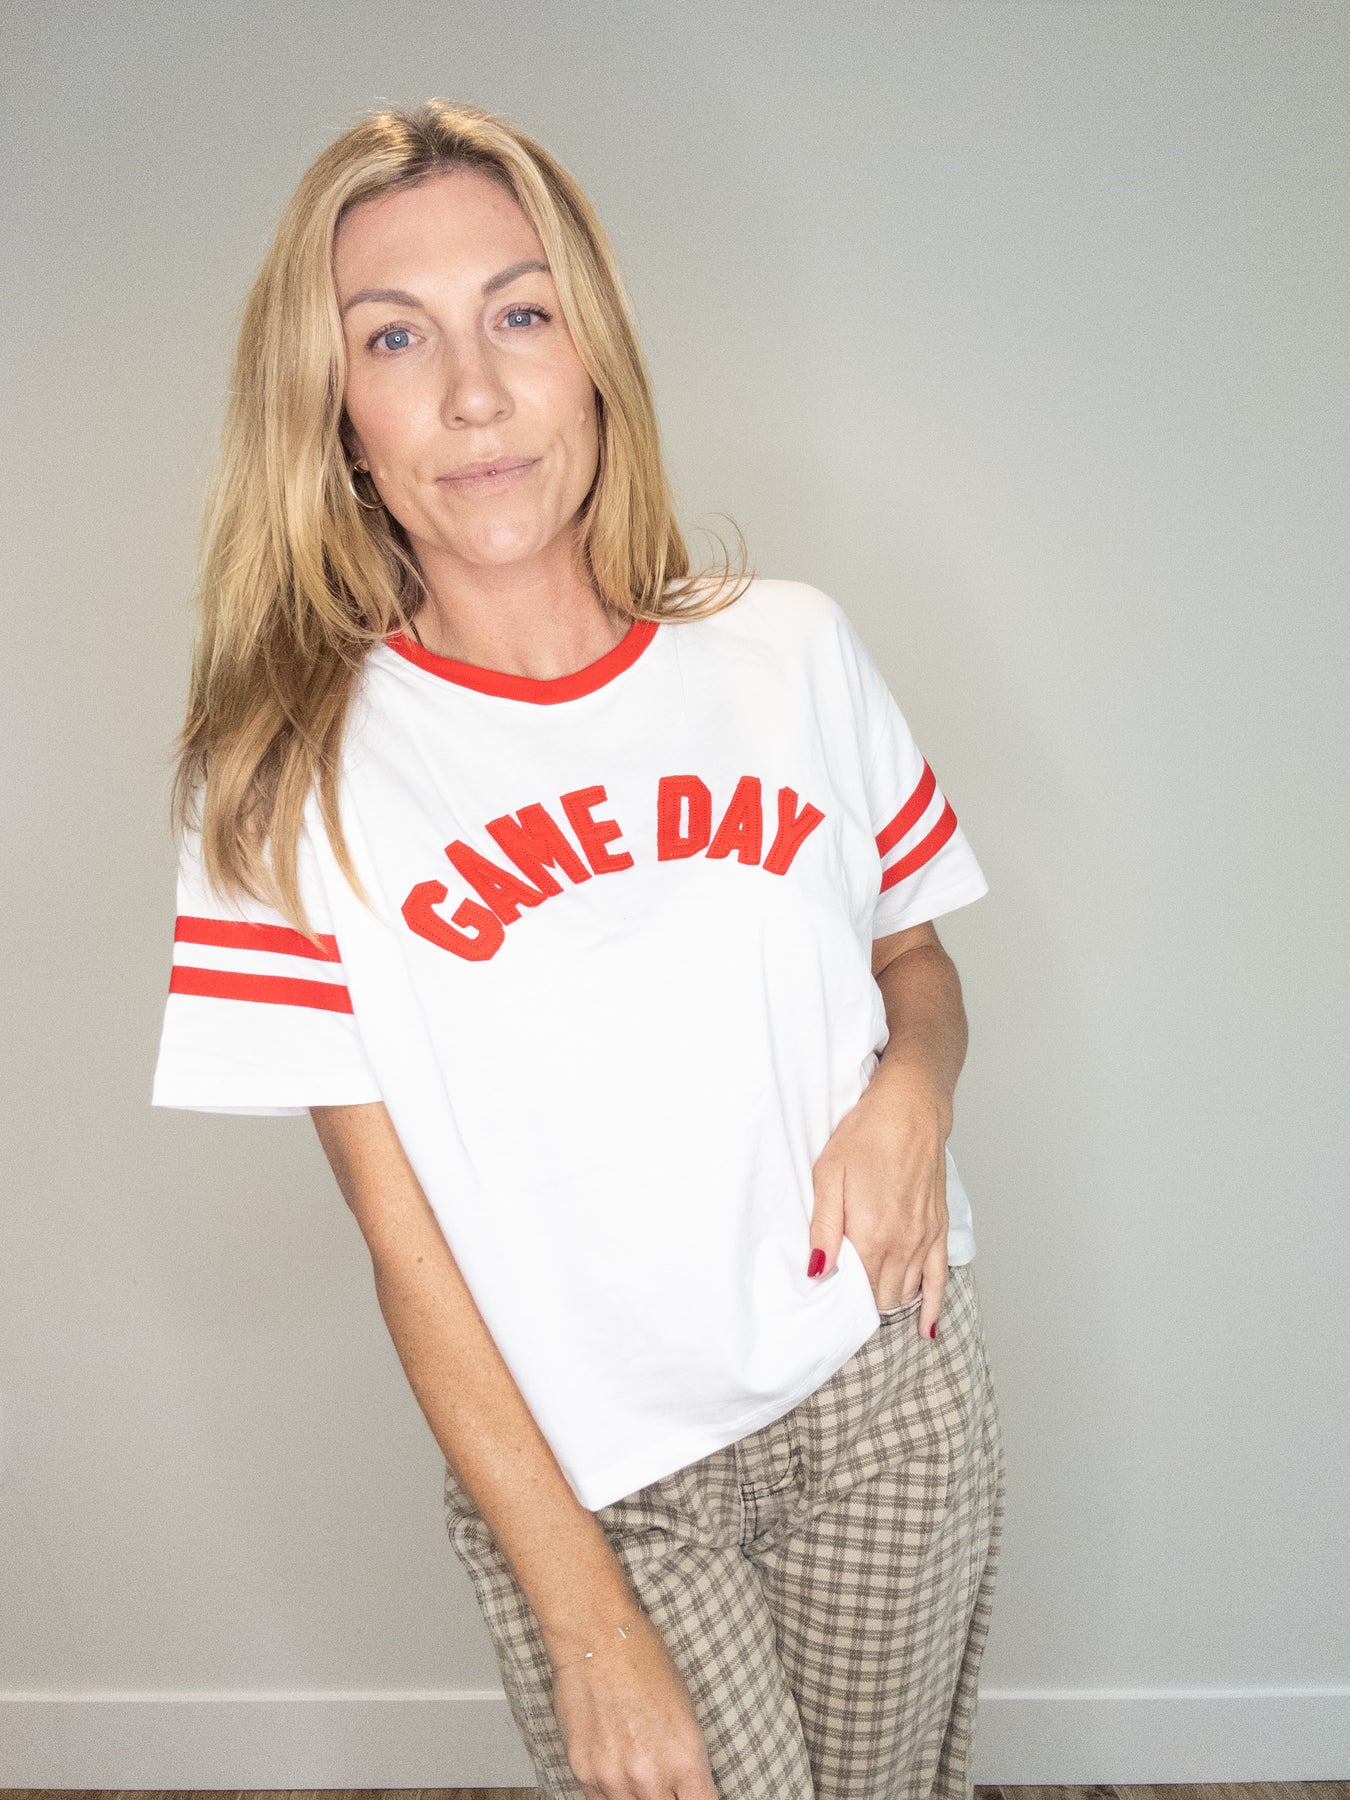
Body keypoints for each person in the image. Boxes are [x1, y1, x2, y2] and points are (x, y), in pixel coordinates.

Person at [151, 97, 1006, 1800]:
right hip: (603, 1485)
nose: (474, 392)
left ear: (593, 356)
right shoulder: (279, 778)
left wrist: (913, 1095)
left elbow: (912, 962)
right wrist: (587, 1621)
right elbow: (404, 1245)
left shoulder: (787, 652)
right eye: (395, 338)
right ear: (335, 417)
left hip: (885, 1392)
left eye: (520, 314)